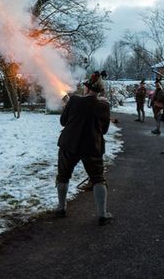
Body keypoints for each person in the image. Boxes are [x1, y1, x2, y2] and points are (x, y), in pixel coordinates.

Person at [55, 77, 113, 226]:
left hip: (69, 144)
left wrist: (66, 106)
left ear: (87, 88)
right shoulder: (105, 106)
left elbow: (63, 121)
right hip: (92, 146)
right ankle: (102, 214)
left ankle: (61, 208)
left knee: (63, 176)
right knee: (98, 178)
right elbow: (104, 130)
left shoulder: (73, 100)